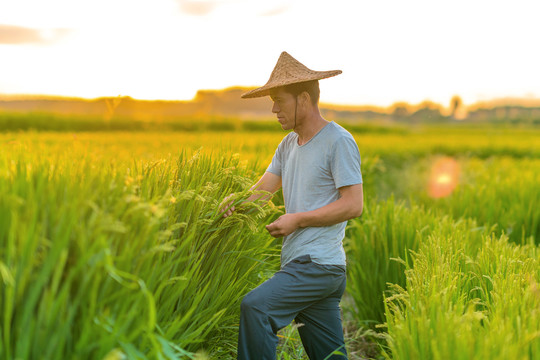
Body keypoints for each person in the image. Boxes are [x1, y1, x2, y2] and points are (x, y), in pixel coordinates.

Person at [221, 51, 363, 360]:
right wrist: (237, 203)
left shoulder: (338, 141)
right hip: (304, 265)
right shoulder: (288, 145)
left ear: (303, 99)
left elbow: (353, 205)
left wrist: (297, 220)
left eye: (279, 100)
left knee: (256, 307)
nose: (273, 109)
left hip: (318, 265)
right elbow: (263, 191)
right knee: (330, 356)